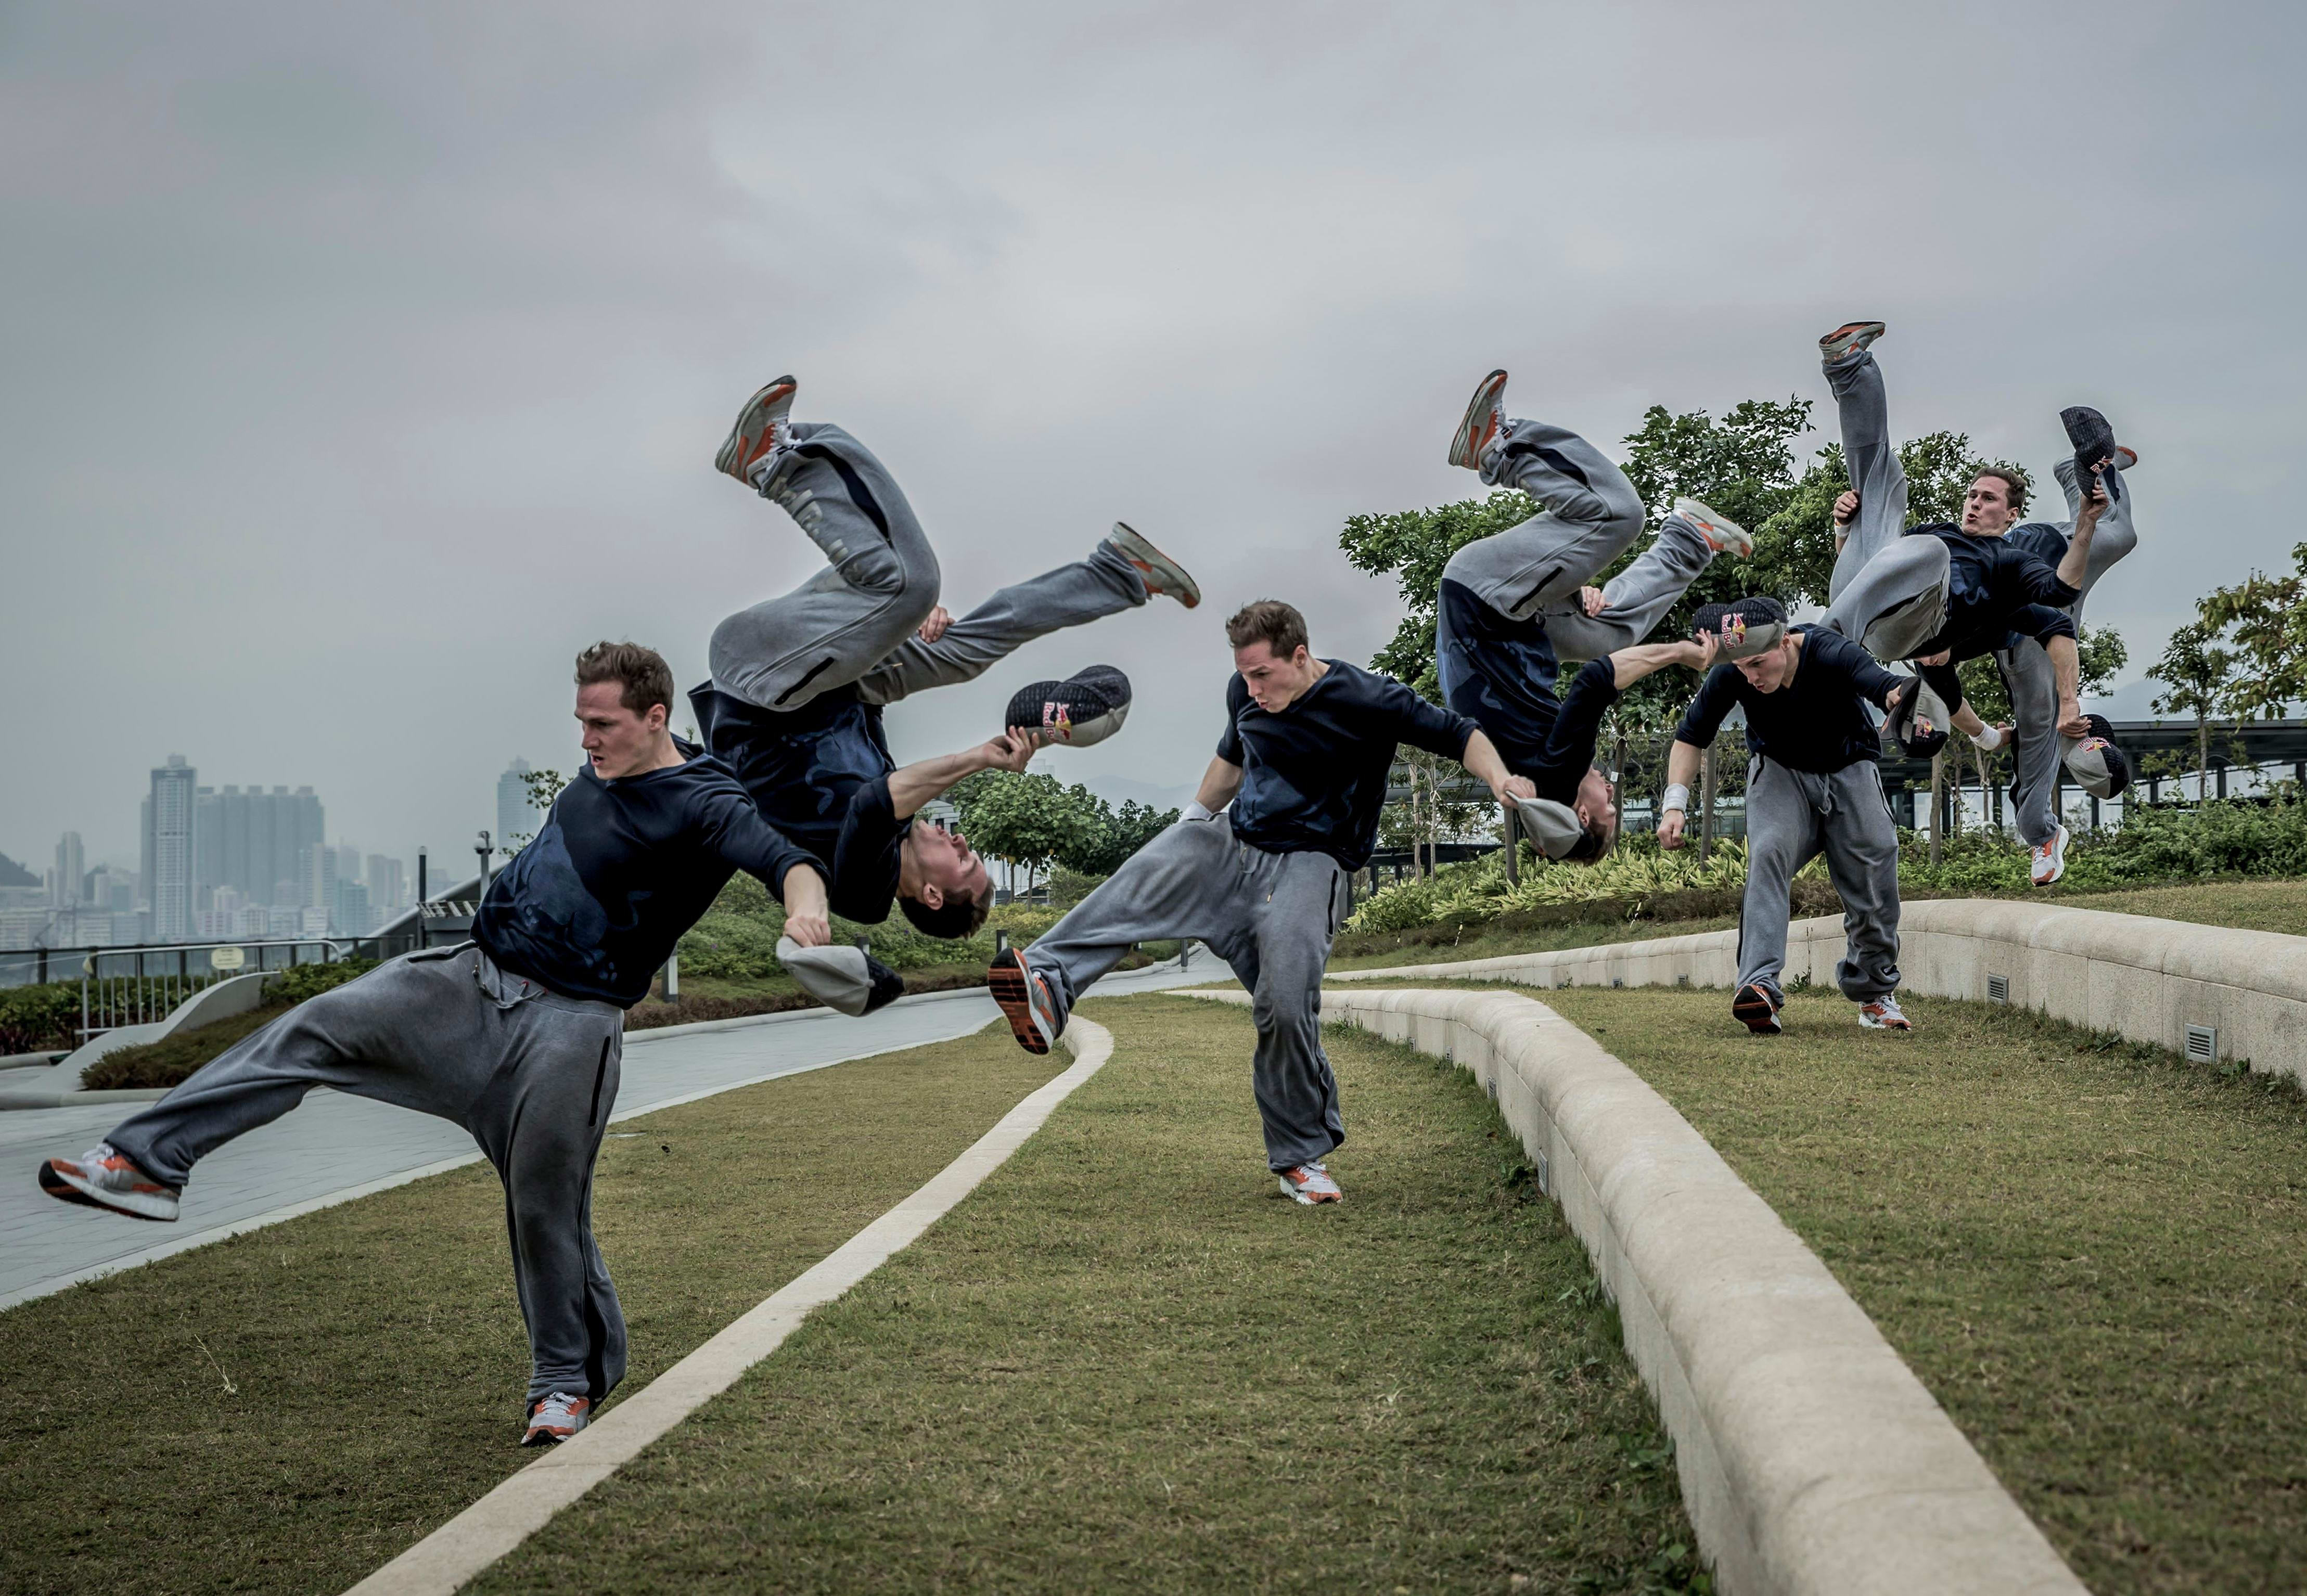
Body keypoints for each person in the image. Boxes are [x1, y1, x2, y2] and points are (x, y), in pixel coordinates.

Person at [39, 642, 832, 1449]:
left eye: (603, 724)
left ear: (654, 718)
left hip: (569, 1029)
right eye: (580, 723)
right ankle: (145, 1164)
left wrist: (805, 912)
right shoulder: (600, 771)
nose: (586, 741)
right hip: (467, 984)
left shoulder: (703, 800)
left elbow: (785, 860)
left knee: (544, 1210)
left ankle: (564, 1384)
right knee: (313, 1028)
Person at [984, 600, 1535, 1205]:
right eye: (1243, 675)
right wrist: (1190, 828)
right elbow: (1229, 763)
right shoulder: (1244, 693)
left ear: (1300, 656)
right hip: (1235, 844)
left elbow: (1463, 734)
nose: (1251, 688)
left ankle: (1301, 1155)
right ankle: (1047, 983)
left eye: (1262, 675)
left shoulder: (1370, 698)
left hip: (1311, 862)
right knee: (1143, 876)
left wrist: (1500, 778)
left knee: (1282, 1005)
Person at [687, 377, 1200, 1005]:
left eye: (963, 861)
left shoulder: (863, 890)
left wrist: (979, 756)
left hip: (758, 683)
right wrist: (895, 635)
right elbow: (862, 709)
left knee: (914, 583)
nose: (962, 841)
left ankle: (772, 461)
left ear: (931, 895)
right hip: (815, 679)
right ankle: (1118, 573)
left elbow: (876, 803)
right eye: (971, 851)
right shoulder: (897, 830)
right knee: (956, 650)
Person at [1813, 321, 2140, 883]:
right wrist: (1848, 531)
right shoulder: (1941, 548)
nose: (1973, 503)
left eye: (1987, 499)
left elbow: (2052, 629)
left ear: (2011, 512)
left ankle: (2040, 831)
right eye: (1971, 494)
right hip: (1942, 600)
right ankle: (1848, 367)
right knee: (1883, 492)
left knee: (2114, 537)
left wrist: (2057, 708)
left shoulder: (2014, 559)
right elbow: (1881, 579)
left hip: (2039, 593)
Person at [1432, 369, 1758, 858]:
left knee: (1618, 514)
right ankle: (1691, 539)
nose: (1611, 791)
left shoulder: (1558, 774)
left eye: (1610, 807)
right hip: (1511, 619)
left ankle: (1496, 448)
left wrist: (1679, 653)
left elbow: (1594, 683)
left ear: (1581, 816)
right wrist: (1562, 593)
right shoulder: (1531, 775)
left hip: (1486, 598)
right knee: (1610, 636)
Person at [1661, 597, 1915, 1035]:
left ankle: (1874, 993)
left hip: (1850, 765)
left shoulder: (1829, 650)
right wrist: (1674, 805)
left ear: (1785, 640)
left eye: (1758, 664)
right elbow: (1691, 736)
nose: (1752, 678)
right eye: (1742, 668)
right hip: (1780, 771)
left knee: (1877, 859)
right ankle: (1758, 988)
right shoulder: (1733, 673)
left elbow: (1882, 683)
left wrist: (1904, 698)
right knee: (1768, 853)